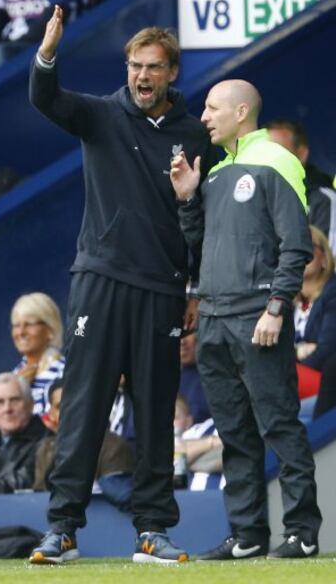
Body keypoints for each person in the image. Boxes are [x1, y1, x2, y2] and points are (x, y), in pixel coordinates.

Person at [28, 5, 216, 565]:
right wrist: (47, 51)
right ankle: (61, 530)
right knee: (83, 407)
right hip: (100, 282)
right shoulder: (101, 114)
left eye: (153, 67)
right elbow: (45, 98)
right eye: (135, 65)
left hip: (162, 289)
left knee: (156, 411)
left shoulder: (194, 136)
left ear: (172, 73)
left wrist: (194, 289)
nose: (141, 75)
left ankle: (153, 530)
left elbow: (199, 224)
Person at [170, 78, 322, 560]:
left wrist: (277, 307)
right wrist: (189, 198)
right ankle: (249, 533)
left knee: (279, 425)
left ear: (241, 112)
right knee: (233, 432)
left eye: (212, 108)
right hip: (213, 317)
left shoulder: (277, 161)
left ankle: (301, 531)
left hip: (257, 314)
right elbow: (198, 245)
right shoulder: (213, 173)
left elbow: (296, 244)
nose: (204, 118)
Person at [33, 381, 136, 512]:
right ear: (51, 414)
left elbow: (120, 500)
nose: (67, 411)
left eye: (74, 404)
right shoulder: (45, 448)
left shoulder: (114, 447)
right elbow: (38, 498)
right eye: (60, 407)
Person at [266, 118, 336, 255]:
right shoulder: (250, 196)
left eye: (279, 152)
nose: (270, 159)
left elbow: (330, 265)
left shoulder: (324, 199)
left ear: (302, 154)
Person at [0, 373, 47, 493]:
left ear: (30, 404)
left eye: (15, 400)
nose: (7, 409)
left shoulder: (50, 444)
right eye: (0, 402)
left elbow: (21, 484)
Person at [294, 225, 336, 400]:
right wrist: (298, 351)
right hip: (296, 378)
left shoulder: (332, 292)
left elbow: (327, 350)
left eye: (308, 246)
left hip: (324, 385)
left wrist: (290, 364)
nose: (299, 253)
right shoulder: (284, 299)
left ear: (325, 259)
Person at [10, 292, 65, 422]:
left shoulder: (66, 372)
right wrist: (17, 390)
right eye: (16, 325)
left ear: (50, 330)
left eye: (29, 324)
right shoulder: (14, 376)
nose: (21, 332)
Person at [174, 394, 223, 491]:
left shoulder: (194, 432)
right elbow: (172, 462)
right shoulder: (196, 431)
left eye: (175, 417)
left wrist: (187, 459)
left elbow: (234, 455)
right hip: (184, 500)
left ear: (188, 421)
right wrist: (211, 442)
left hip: (220, 498)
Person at [179, 329, 210, 424]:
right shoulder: (157, 380)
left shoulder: (218, 376)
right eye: (176, 333)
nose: (182, 341)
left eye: (188, 333)